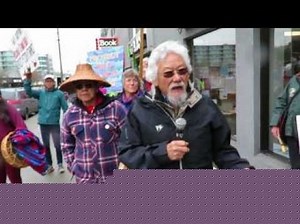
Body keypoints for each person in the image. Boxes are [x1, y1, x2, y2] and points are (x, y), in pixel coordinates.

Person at [118, 40, 254, 169]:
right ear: (154, 79)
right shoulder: (140, 110)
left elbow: (223, 151)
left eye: (182, 71)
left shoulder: (205, 106)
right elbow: (127, 153)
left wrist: (240, 167)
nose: (177, 78)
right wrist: (162, 153)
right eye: (168, 73)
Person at [59, 63, 127, 183]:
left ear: (96, 87)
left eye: (88, 85)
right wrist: (74, 167)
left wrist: (124, 166)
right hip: (84, 179)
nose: (84, 89)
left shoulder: (116, 108)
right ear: (75, 90)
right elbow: (66, 146)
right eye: (79, 86)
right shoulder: (70, 115)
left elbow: (129, 139)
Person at [23, 73, 68, 174]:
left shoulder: (59, 94)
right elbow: (28, 92)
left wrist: (68, 121)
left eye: (50, 81)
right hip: (43, 124)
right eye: (47, 81)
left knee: (57, 145)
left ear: (53, 83)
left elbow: (65, 108)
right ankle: (49, 165)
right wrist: (28, 80)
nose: (48, 83)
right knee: (46, 146)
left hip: (54, 123)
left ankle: (60, 164)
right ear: (44, 83)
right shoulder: (41, 93)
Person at [270, 62, 300, 169]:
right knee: (296, 165)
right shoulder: (293, 82)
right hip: (291, 130)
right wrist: (275, 124)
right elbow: (281, 102)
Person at [0, 90, 27, 183]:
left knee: (14, 178)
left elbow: (22, 127)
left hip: (9, 150)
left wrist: (15, 140)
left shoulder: (8, 108)